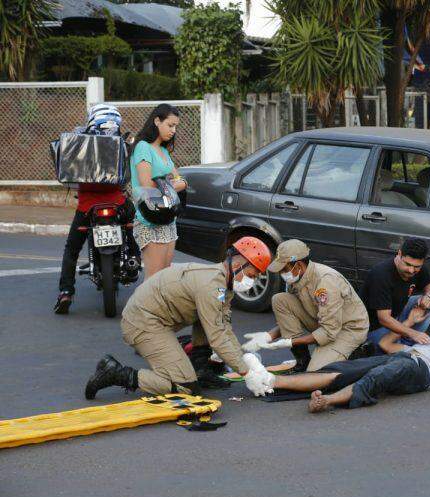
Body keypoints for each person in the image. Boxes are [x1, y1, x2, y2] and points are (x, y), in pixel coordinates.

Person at [84, 237, 274, 398]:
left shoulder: (223, 283)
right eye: (251, 274)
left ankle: (201, 368)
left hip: (154, 318)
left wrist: (246, 359)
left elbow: (222, 325)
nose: (252, 281)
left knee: (209, 317)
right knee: (186, 388)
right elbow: (217, 337)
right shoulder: (211, 286)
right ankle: (116, 373)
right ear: (238, 264)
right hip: (143, 323)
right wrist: (247, 373)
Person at [247, 330, 430, 413]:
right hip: (404, 357)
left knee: (375, 378)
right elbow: (387, 345)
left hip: (420, 370)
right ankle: (270, 381)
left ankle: (326, 401)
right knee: (340, 371)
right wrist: (411, 326)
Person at [54, 104, 141, 314]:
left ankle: (66, 291)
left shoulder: (79, 139)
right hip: (118, 202)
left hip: (87, 206)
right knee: (133, 228)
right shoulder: (123, 141)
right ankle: (134, 258)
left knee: (71, 249)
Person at [242, 239, 369, 372]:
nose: (281, 274)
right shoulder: (297, 278)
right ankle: (302, 361)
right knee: (280, 300)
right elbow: (290, 318)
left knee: (315, 374)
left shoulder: (326, 281)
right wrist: (267, 337)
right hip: (324, 322)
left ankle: (356, 353)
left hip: (347, 329)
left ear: (298, 266)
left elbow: (329, 332)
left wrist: (289, 342)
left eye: (283, 269)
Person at [130, 103, 187, 280]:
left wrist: (166, 184)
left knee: (165, 277)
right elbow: (147, 184)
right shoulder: (143, 147)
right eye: (170, 125)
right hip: (149, 219)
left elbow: (182, 181)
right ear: (157, 121)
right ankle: (142, 308)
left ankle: (159, 308)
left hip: (168, 219)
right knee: (154, 280)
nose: (173, 130)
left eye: (175, 126)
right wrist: (172, 183)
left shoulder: (163, 151)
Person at [359, 237, 430, 354]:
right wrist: (414, 333)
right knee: (389, 348)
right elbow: (384, 319)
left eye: (417, 267)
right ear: (399, 254)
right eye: (407, 264)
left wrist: (428, 296)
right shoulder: (381, 275)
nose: (411, 270)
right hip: (374, 326)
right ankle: (405, 340)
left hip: (396, 314)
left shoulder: (417, 267)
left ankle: (406, 340)